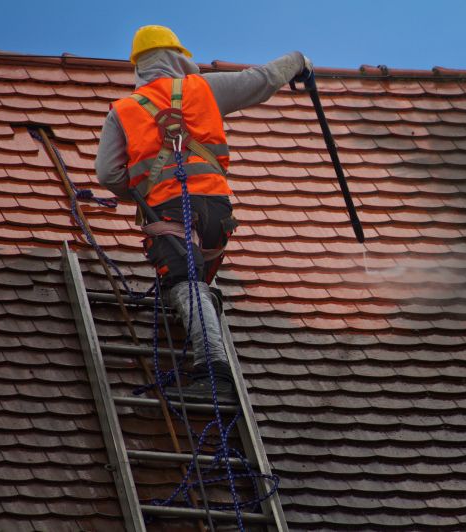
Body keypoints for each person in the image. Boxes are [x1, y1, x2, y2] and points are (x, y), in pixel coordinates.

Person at [96, 25, 312, 402]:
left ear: (139, 66)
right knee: (195, 279)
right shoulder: (204, 88)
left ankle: (214, 374)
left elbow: (108, 175)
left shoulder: (124, 111)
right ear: (178, 57)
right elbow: (261, 80)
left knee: (184, 282)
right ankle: (204, 310)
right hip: (216, 210)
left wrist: (144, 188)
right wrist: (297, 61)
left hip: (169, 212)